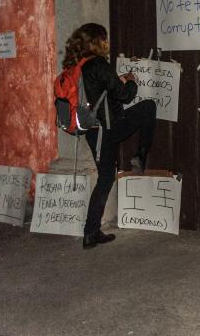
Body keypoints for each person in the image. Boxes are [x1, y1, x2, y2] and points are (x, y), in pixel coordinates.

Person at [61, 23, 157, 249]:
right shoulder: (99, 64)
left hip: (93, 131)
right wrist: (131, 80)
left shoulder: (79, 65)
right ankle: (141, 155)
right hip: (110, 128)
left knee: (104, 179)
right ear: (98, 42)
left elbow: (104, 89)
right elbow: (124, 96)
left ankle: (90, 233)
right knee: (149, 107)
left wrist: (117, 78)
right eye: (104, 39)